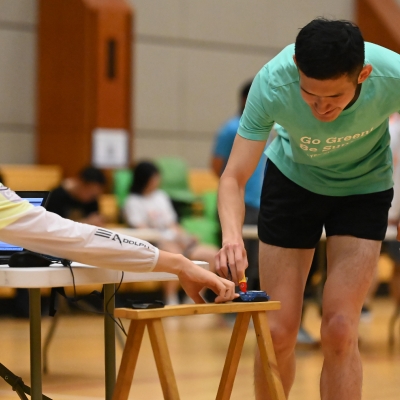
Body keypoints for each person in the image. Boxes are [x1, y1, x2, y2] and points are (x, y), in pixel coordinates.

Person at [215, 18, 400, 399]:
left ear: (362, 74)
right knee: (278, 331)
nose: (320, 108)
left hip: (363, 188)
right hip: (293, 182)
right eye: (310, 95)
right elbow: (232, 176)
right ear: (297, 68)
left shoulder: (392, 74)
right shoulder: (273, 82)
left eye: (333, 98)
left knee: (340, 329)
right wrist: (231, 237)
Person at [0, 184, 237, 305]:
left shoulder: (161, 198)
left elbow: (78, 238)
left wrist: (179, 261)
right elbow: (80, 239)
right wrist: (177, 263)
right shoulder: (134, 201)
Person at [123, 161, 219, 304]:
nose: (157, 181)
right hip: (154, 243)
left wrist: (186, 237)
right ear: (144, 179)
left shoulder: (161, 196)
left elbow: (172, 224)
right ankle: (170, 297)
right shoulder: (132, 202)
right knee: (174, 255)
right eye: (154, 178)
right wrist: (166, 240)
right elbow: (141, 229)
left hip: (175, 241)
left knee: (212, 254)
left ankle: (194, 297)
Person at [211, 80, 267, 290]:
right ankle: (228, 300)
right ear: (247, 99)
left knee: (253, 259)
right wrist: (232, 192)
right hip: (239, 203)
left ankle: (247, 301)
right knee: (233, 259)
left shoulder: (264, 127)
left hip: (258, 202)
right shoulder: (231, 129)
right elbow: (216, 165)